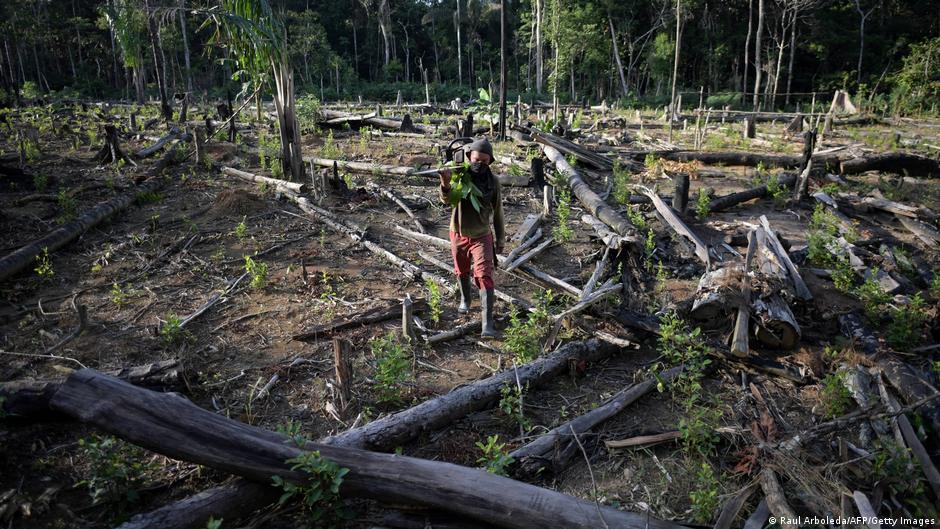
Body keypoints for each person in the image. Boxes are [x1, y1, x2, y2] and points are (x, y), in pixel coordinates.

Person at [438, 138, 505, 338]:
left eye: (485, 162)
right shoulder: (459, 175)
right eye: (477, 159)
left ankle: (487, 325)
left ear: (490, 162)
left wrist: (500, 239)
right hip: (458, 232)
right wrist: (445, 182)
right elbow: (447, 200)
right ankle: (466, 299)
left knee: (484, 275)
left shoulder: (493, 182)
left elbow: (499, 211)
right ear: (469, 157)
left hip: (482, 235)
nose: (480, 164)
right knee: (462, 270)